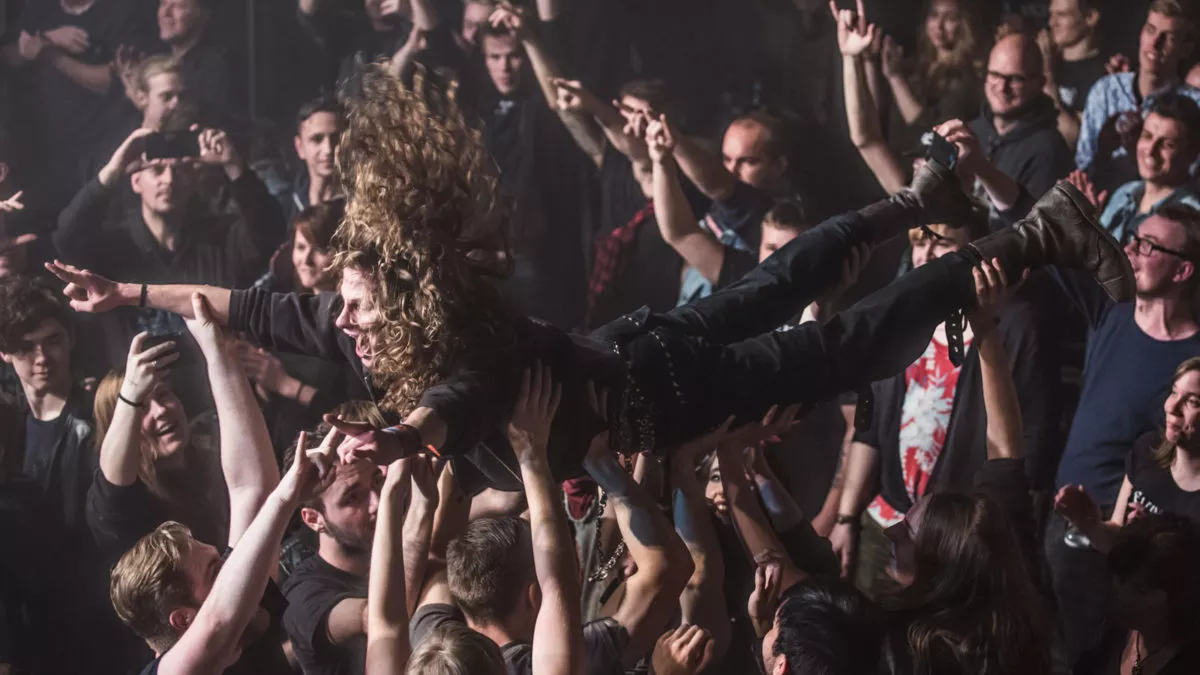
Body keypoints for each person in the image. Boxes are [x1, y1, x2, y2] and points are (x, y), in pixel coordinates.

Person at [47, 64, 1137, 496]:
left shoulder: (460, 353)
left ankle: (1032, 232)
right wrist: (125, 295)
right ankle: (921, 198)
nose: (345, 321)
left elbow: (448, 405)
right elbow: (241, 305)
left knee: (833, 340)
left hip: (666, 392)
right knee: (774, 285)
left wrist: (402, 440)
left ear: (407, 303)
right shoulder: (362, 324)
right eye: (345, 311)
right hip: (638, 351)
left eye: (360, 307)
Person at [830, 220, 1054, 593]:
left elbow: (1028, 445)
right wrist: (846, 518)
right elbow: (868, 431)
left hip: (951, 539)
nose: (927, 255)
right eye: (920, 243)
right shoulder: (902, 317)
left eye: (943, 243)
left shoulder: (1014, 325)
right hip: (886, 523)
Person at [107, 293, 317, 675]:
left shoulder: (243, 618)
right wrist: (287, 497)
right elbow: (217, 620)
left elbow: (252, 488)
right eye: (216, 571)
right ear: (184, 620)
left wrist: (216, 348)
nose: (233, 567)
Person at [1045, 193, 1200, 665]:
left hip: (1117, 539)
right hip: (1063, 514)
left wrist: (1144, 528)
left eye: (1148, 245)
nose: (1131, 249)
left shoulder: (1193, 367)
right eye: (1134, 238)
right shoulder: (1112, 310)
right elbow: (1050, 243)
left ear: (1183, 270)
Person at [408, 366, 601, 674]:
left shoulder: (439, 655)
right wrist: (530, 453)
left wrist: (462, 453)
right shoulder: (436, 649)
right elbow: (558, 586)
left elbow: (438, 557)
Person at [280, 435, 436, 675]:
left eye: (377, 481)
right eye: (352, 497)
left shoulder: (397, 536)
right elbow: (379, 617)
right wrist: (420, 506)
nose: (377, 503)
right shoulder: (304, 596)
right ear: (313, 519)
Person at [1055, 356, 1200, 554]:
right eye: (1174, 392)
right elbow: (1115, 539)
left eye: (1192, 402)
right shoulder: (1147, 449)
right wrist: (1091, 524)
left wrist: (1157, 545)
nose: (1171, 407)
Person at [1076, 0, 1200, 193]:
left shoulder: (1194, 105)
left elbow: (1193, 179)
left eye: (1169, 38)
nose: (1154, 43)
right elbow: (1082, 170)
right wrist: (1104, 150)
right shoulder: (1106, 91)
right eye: (1150, 30)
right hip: (1104, 202)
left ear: (1186, 49)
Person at [1072, 513, 1200, 675]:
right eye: (1120, 580)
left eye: (1141, 590)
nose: (1122, 596)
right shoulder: (1116, 630)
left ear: (1180, 595)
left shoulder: (1191, 663)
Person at [968, 33, 1074, 216]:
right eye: (995, 75)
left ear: (1039, 83)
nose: (1002, 87)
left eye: (1015, 79)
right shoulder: (972, 131)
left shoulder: (1047, 151)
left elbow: (1033, 227)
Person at [1090, 94, 1200, 245]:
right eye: (1147, 136)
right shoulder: (1124, 194)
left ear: (1192, 153)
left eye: (1167, 145)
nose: (1150, 151)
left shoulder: (1190, 218)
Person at [881, 0, 983, 154]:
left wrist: (895, 77)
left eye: (950, 18)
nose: (938, 25)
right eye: (934, 15)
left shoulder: (967, 77)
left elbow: (927, 131)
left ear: (964, 24)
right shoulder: (916, 66)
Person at [1039, 0, 1105, 148]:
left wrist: (1047, 78)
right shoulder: (1049, 61)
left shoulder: (1101, 75)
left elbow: (1072, 136)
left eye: (1062, 15)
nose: (1052, 23)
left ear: (1090, 17)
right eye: (1051, 15)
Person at [282, 97, 345, 225]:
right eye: (317, 139)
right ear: (300, 147)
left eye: (336, 139)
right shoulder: (285, 207)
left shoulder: (364, 206)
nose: (328, 149)